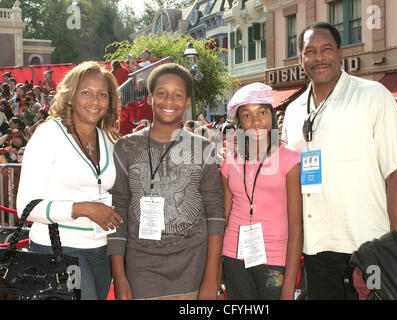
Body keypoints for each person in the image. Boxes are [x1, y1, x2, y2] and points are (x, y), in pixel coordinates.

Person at [282, 22, 397, 300]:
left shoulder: (373, 95)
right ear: (300, 59)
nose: (318, 57)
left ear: (340, 53)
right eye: (310, 51)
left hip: (370, 248)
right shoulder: (294, 111)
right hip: (316, 249)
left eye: (326, 49)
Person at [107, 63, 225, 300]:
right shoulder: (126, 147)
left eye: (178, 95)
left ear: (188, 102)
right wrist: (119, 276)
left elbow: (215, 214)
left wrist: (212, 277)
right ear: (149, 98)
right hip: (141, 272)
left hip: (193, 270)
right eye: (161, 93)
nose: (169, 101)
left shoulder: (203, 148)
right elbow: (118, 210)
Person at [16, 61, 123, 300]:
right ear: (70, 95)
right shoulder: (48, 135)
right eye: (86, 92)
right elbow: (25, 208)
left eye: (102, 94)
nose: (95, 101)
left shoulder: (108, 139)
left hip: (101, 250)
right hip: (59, 248)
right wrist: (83, 209)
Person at [220, 82, 302, 300]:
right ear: (239, 123)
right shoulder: (230, 160)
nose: (256, 121)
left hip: (275, 257)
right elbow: (224, 215)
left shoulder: (289, 158)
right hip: (232, 254)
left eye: (262, 112)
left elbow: (297, 225)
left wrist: (289, 286)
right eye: (247, 115)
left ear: (272, 116)